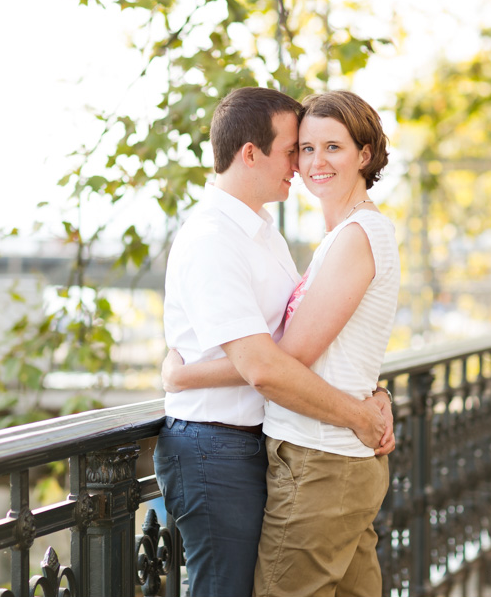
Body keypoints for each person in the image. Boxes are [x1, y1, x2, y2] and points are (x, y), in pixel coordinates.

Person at [153, 87, 395, 597]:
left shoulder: (268, 233)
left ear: (363, 156)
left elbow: (302, 348)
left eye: (327, 147)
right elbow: (267, 362)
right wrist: (358, 412)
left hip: (295, 447)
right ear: (249, 153)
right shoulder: (213, 238)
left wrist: (373, 397)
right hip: (216, 444)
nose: (303, 164)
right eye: (298, 149)